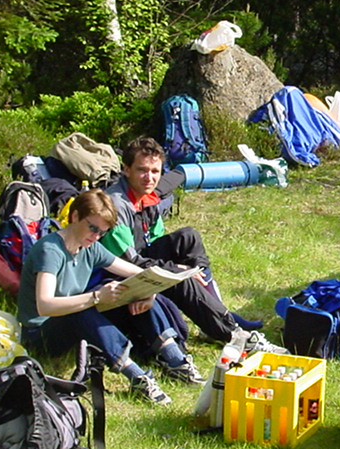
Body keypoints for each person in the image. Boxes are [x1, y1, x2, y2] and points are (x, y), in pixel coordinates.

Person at [17, 189, 201, 406]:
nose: (96, 236)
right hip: (40, 334)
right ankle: (136, 376)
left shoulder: (89, 247)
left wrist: (148, 292)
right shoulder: (50, 250)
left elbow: (136, 273)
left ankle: (175, 359)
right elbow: (45, 305)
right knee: (83, 308)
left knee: (129, 291)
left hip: (71, 321)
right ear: (75, 216)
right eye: (92, 228)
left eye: (101, 233)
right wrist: (96, 297)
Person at [102, 137, 284, 352]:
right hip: (115, 274)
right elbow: (128, 260)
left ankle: (217, 311)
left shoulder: (148, 196)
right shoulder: (115, 205)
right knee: (181, 279)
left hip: (139, 258)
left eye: (155, 171)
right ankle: (235, 335)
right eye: (142, 170)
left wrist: (181, 268)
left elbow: (156, 239)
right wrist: (177, 270)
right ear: (126, 169)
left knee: (188, 237)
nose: (149, 178)